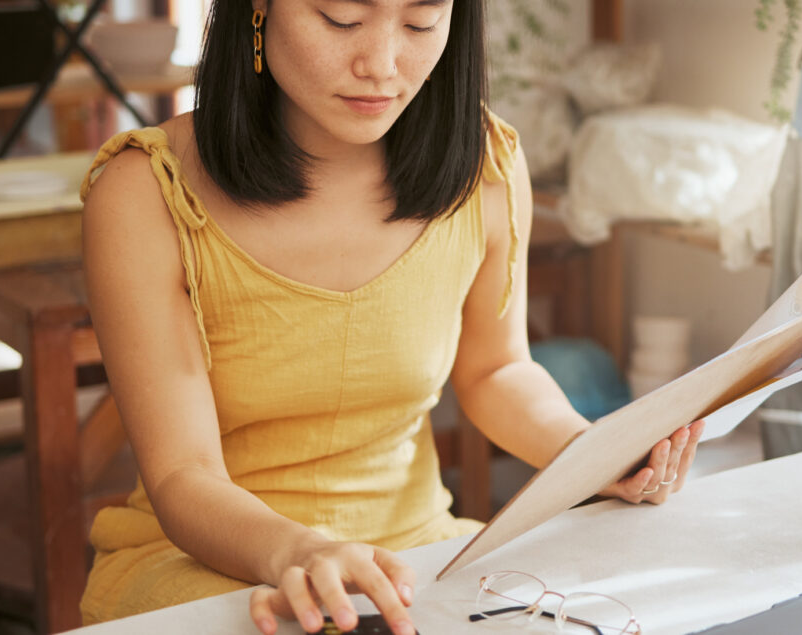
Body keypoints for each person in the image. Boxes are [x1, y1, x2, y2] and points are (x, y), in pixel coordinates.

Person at [78, 1, 705, 633]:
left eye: (421, 22)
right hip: (216, 558)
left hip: (417, 553)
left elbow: (496, 371)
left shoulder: (484, 166)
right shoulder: (146, 189)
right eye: (341, 19)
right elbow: (183, 474)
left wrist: (591, 455)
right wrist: (302, 551)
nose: (381, 66)